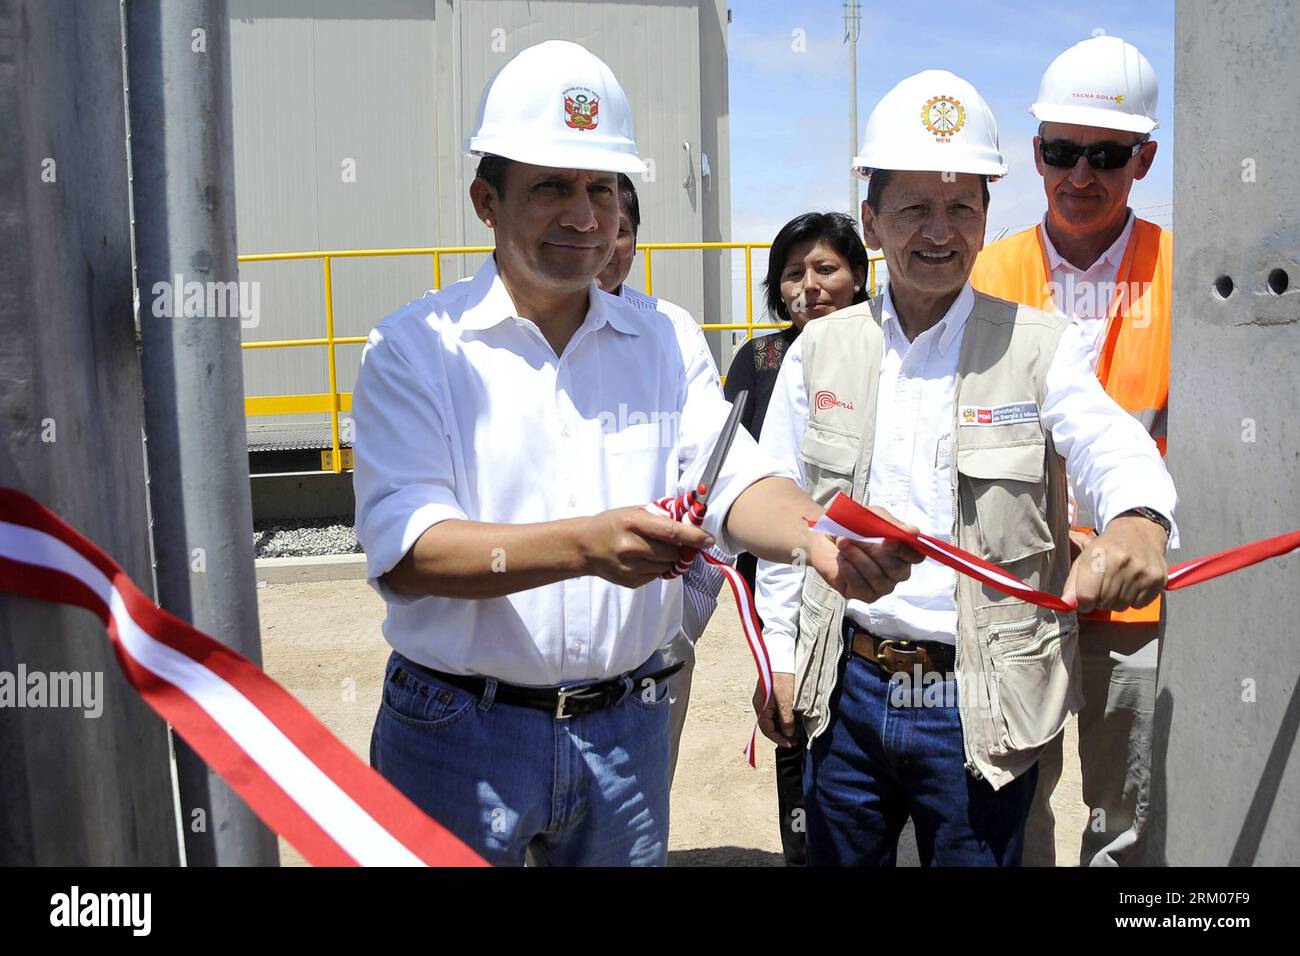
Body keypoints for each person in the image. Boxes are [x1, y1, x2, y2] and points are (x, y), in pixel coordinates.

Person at [352, 39, 918, 867]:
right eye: (552, 186)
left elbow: (733, 479)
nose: (584, 217)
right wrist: (587, 547)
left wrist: (816, 537)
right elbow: (406, 552)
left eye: (604, 190)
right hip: (457, 732)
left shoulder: (662, 338)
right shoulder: (416, 349)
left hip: (626, 731)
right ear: (487, 199)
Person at [753, 69, 1179, 867]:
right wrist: (780, 657)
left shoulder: (1041, 347)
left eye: (962, 208)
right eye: (914, 208)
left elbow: (1107, 442)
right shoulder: (821, 350)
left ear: (987, 218)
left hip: (978, 698)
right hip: (848, 688)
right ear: (872, 224)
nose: (940, 231)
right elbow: (783, 504)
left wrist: (1138, 519)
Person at [969, 35, 1171, 867]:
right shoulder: (987, 269)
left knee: (1124, 810)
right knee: (1015, 800)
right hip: (1020, 591)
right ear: (1035, 153)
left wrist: (1129, 532)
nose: (1080, 175)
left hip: (1135, 600)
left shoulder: (1186, 274)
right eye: (1062, 150)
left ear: (1144, 158)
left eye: (1107, 154)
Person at [723, 211, 870, 866]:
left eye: (826, 268)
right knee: (794, 726)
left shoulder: (890, 355)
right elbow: (732, 467)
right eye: (792, 273)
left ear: (860, 276)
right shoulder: (758, 361)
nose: (808, 285)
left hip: (867, 584)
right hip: (780, 580)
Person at [594, 171, 731, 784]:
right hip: (534, 648)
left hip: (655, 627)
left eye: (622, 230)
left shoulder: (671, 331)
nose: (604, 241)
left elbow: (713, 466)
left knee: (637, 804)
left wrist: (686, 610)